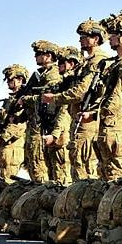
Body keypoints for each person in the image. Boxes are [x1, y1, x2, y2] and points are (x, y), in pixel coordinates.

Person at [42, 19, 109, 181]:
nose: (80, 40)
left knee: (85, 169)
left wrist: (55, 98)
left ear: (96, 39)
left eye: (85, 36)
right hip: (78, 120)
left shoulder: (98, 61)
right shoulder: (86, 63)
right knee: (77, 167)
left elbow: (81, 90)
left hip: (88, 123)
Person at [83, 11, 122, 180]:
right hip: (106, 127)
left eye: (113, 35)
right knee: (104, 175)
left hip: (116, 128)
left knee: (115, 177)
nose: (109, 38)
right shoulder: (115, 64)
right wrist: (94, 114)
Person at [40, 45, 81, 184]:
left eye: (62, 63)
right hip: (55, 134)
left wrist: (55, 134)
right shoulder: (64, 83)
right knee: (53, 178)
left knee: (62, 179)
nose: (59, 66)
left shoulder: (71, 84)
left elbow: (64, 111)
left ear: (71, 64)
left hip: (61, 137)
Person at [22, 40, 62, 182]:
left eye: (39, 54)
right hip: (38, 123)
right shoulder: (42, 74)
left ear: (49, 56)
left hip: (46, 124)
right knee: (34, 164)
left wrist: (26, 99)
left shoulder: (53, 75)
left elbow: (47, 98)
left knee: (42, 169)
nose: (36, 57)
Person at [0, 64, 29, 182]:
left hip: (13, 146)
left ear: (20, 80)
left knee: (9, 182)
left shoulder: (22, 100)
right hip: (5, 146)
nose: (8, 82)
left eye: (10, 79)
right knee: (3, 179)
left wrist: (0, 137)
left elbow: (18, 125)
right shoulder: (10, 100)